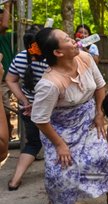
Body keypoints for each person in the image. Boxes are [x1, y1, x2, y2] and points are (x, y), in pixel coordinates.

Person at [30, 27, 108, 204]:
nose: (75, 40)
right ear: (58, 52)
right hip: (59, 130)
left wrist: (99, 113)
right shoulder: (49, 84)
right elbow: (40, 119)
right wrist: (60, 145)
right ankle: (55, 202)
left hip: (89, 119)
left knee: (102, 158)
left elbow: (100, 87)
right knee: (60, 172)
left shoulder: (85, 57)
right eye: (67, 39)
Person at [5, 25, 48, 190]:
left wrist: (24, 101)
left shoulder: (20, 57)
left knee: (33, 143)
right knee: (59, 143)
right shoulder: (51, 60)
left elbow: (10, 80)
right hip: (51, 111)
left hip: (29, 110)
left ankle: (15, 180)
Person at [0, 1, 14, 141]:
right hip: (2, 80)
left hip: (14, 78)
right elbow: (5, 24)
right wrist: (7, 5)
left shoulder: (10, 36)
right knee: (5, 109)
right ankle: (7, 134)